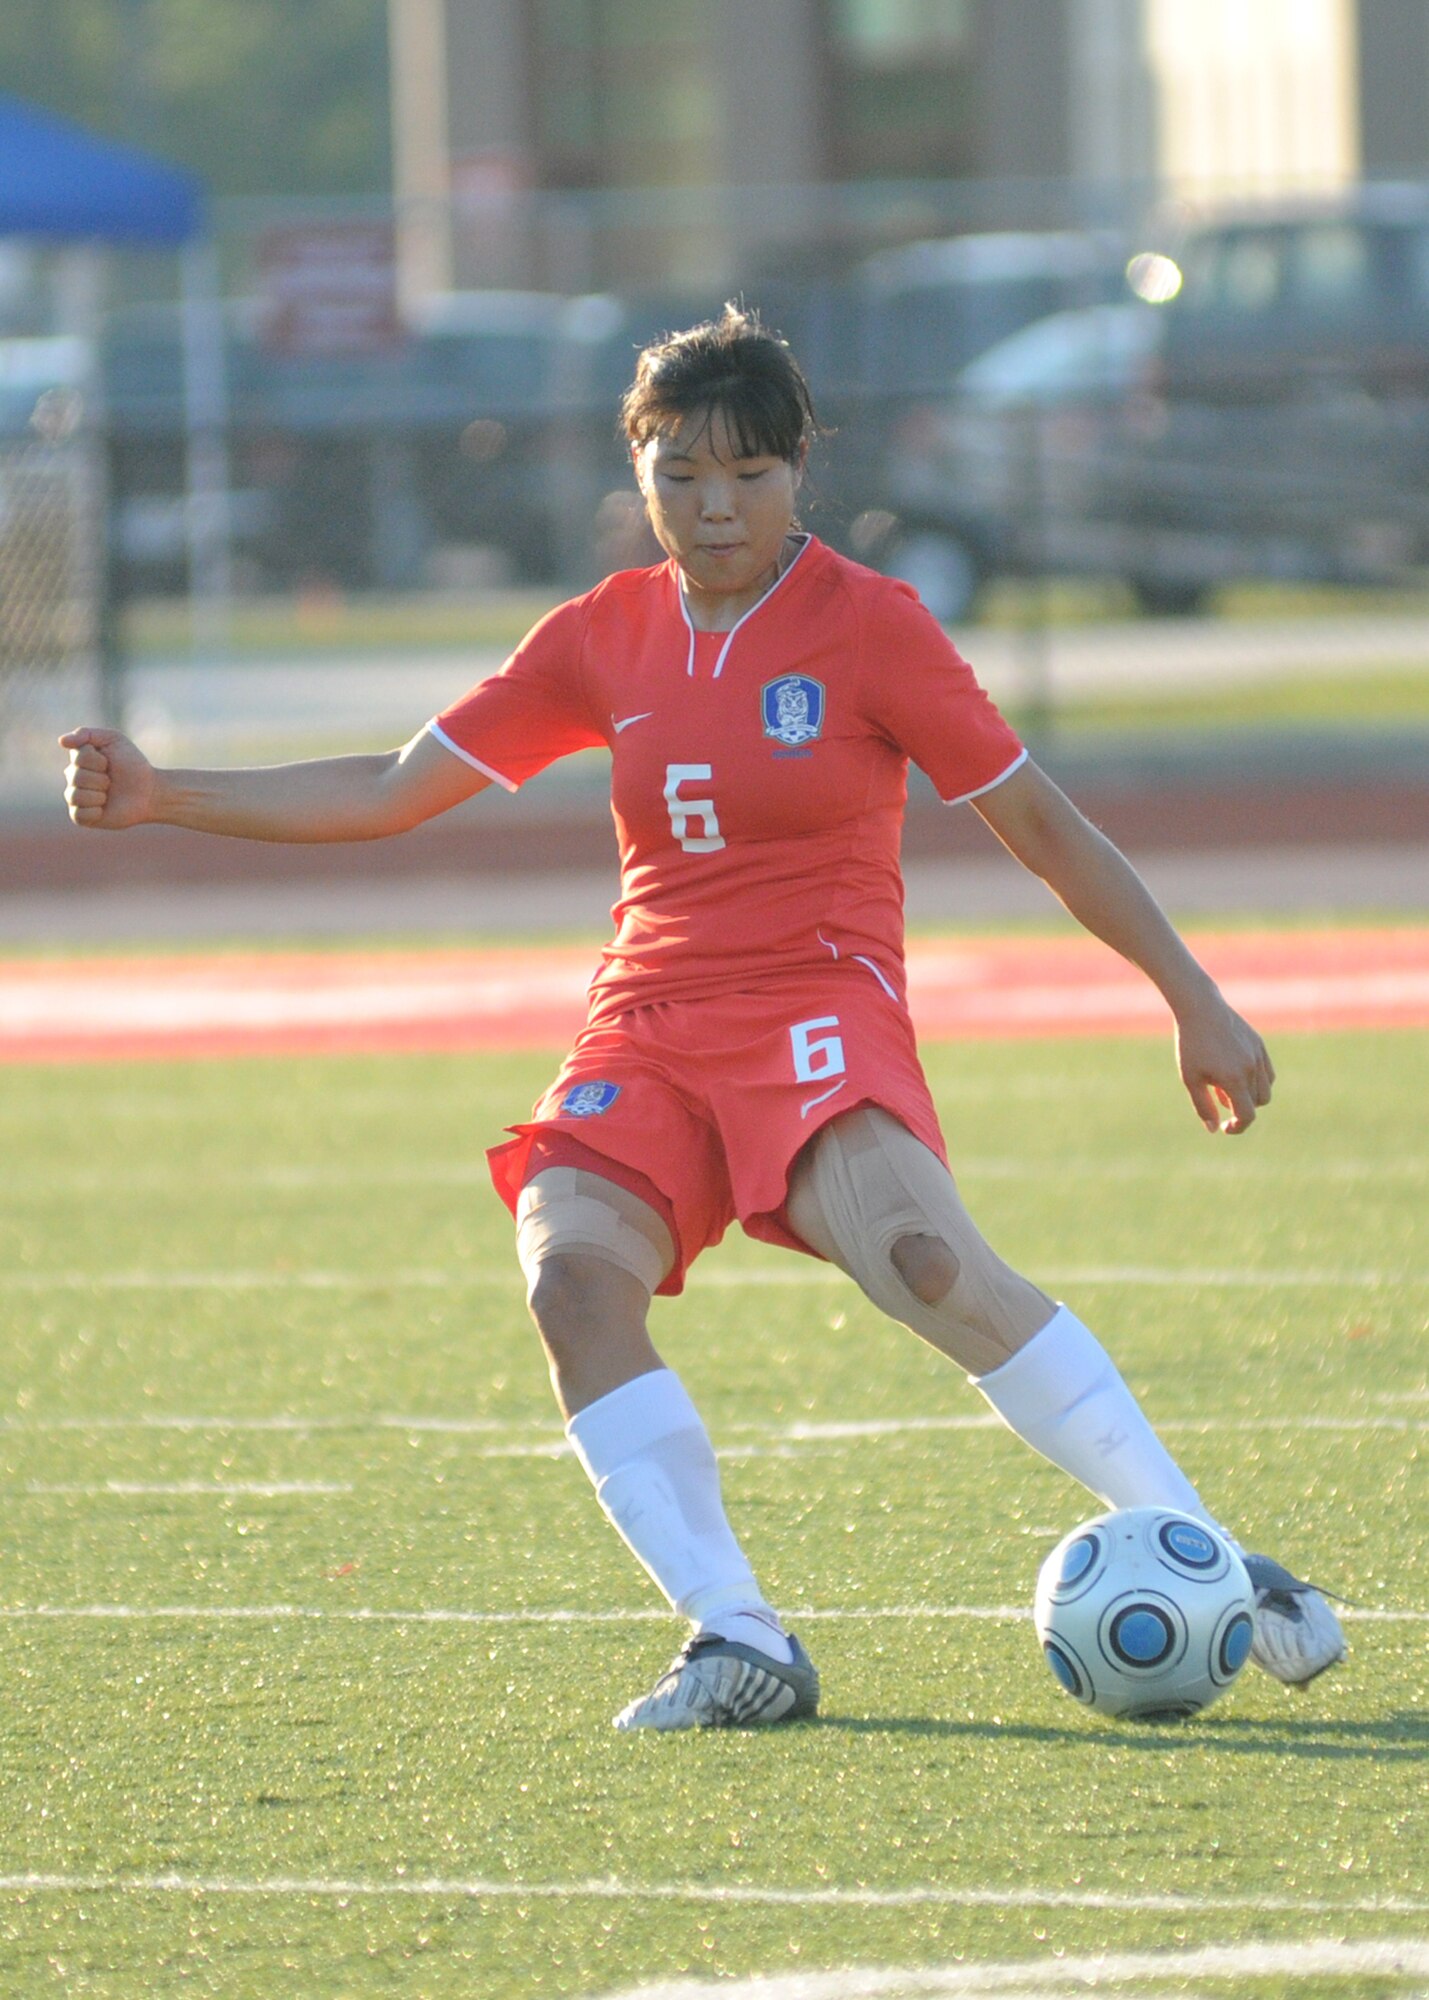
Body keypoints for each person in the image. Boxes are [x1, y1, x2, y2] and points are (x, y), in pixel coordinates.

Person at [61, 304, 1345, 1730]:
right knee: (570, 1278)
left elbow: (1038, 821)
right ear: (640, 472)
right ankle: (736, 1637)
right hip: (650, 1022)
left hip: (817, 1005)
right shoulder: (602, 635)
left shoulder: (872, 627)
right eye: (678, 474)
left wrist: (1192, 999)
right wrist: (166, 791)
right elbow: (386, 788)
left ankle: (1218, 1561)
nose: (712, 505)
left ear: (799, 471)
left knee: (925, 1262)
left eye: (744, 473)